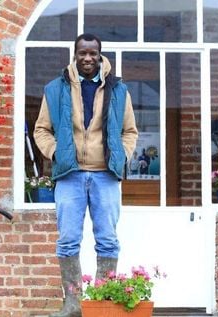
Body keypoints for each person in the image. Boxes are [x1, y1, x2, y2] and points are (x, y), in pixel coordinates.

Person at [34, 33, 138, 317]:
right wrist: (56, 153)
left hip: (105, 175)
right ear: (75, 55)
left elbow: (130, 132)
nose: (88, 58)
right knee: (67, 239)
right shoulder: (55, 89)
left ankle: (103, 303)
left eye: (93, 53)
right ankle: (73, 304)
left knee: (107, 239)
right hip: (70, 175)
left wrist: (123, 155)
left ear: (100, 55)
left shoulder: (119, 90)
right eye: (83, 53)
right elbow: (41, 129)